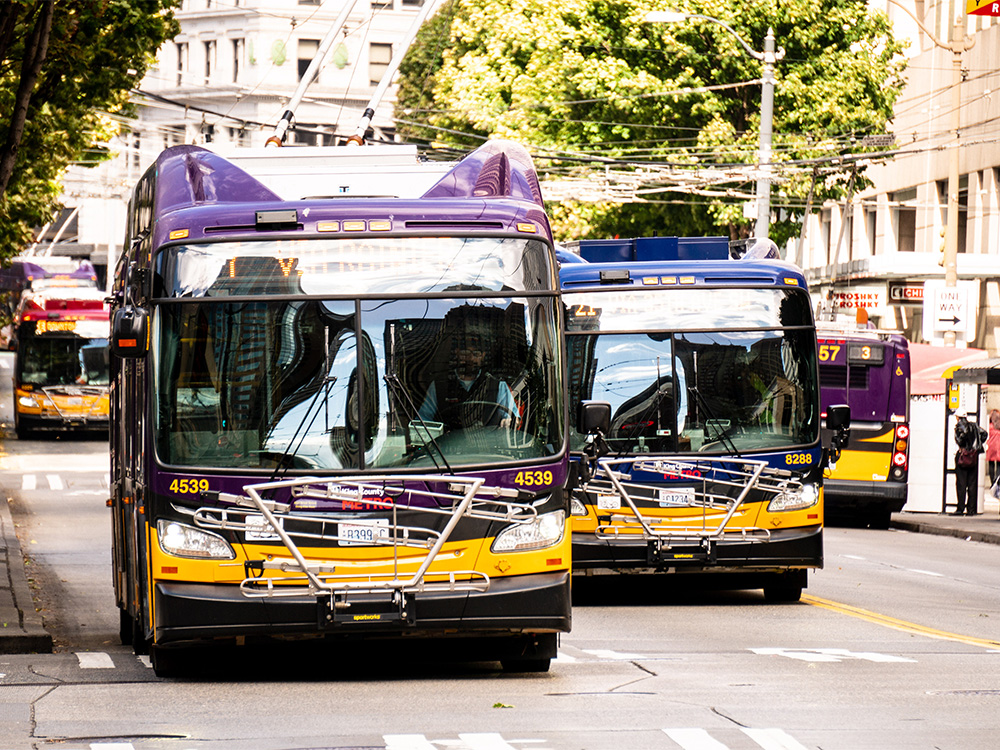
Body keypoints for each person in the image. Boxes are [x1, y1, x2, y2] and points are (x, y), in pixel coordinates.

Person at [417, 323, 517, 431]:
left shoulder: (497, 385)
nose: (470, 359)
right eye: (465, 353)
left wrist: (508, 421)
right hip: (448, 445)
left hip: (489, 445)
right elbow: (423, 421)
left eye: (476, 354)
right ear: (457, 353)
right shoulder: (439, 385)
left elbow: (513, 417)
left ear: (483, 356)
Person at [954, 411, 987, 515]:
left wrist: (964, 446)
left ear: (958, 417)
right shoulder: (974, 425)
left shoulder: (959, 426)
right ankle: (971, 509)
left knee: (961, 483)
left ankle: (960, 508)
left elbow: (960, 439)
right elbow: (984, 434)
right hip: (973, 456)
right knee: (972, 484)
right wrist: (976, 446)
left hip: (963, 456)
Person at [987, 409, 1000, 488]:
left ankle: (992, 482)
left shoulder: (989, 426)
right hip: (999, 448)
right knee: (999, 465)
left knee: (991, 465)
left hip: (991, 447)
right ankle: (997, 482)